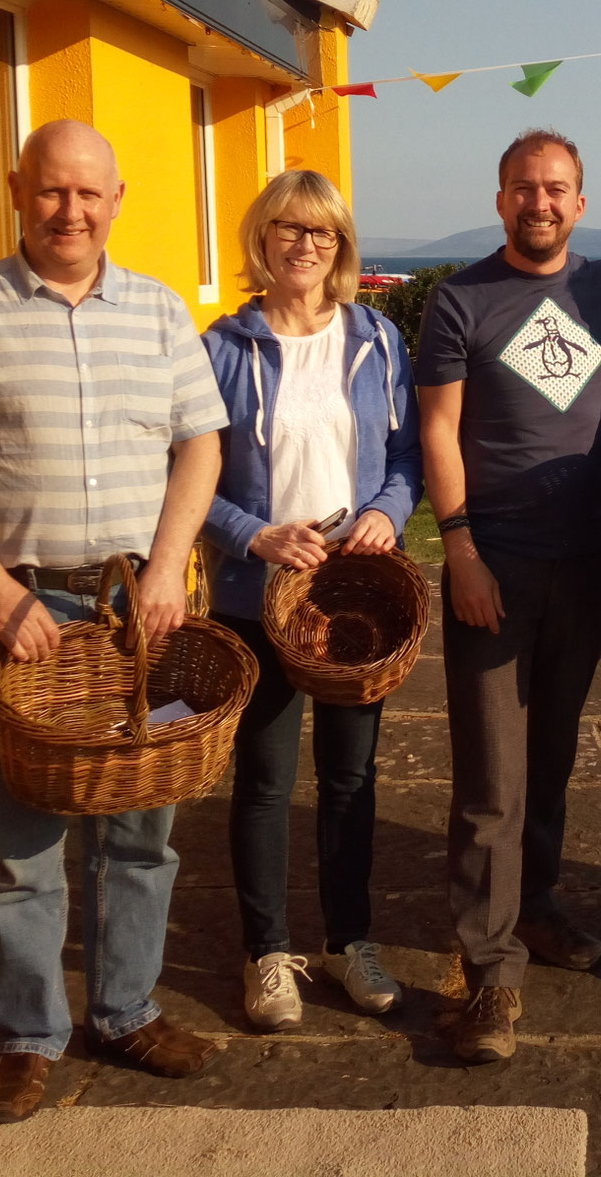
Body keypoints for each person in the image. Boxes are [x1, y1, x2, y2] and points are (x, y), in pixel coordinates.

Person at [0, 120, 229, 1124]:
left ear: (118, 199)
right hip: (14, 620)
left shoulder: (160, 313)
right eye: (49, 192)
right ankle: (29, 1034)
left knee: (139, 835)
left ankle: (123, 1010)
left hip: (135, 620)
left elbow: (199, 448)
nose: (69, 211)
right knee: (20, 846)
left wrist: (168, 569)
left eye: (88, 194)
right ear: (15, 192)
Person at [415, 128, 601, 1063]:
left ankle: (540, 906)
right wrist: (462, 547)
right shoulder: (461, 300)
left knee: (552, 752)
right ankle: (489, 970)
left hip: (586, 558)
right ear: (501, 199)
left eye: (557, 189)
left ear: (581, 203)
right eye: (524, 188)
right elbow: (439, 432)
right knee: (491, 774)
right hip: (496, 563)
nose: (540, 203)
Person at [199, 170, 423, 1032]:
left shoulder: (376, 340)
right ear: (262, 239)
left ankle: (350, 941)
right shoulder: (223, 347)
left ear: (340, 248)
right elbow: (191, 480)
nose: (304, 244)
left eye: (321, 233)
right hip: (258, 599)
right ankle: (267, 954)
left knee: (351, 777)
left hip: (354, 603)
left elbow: (406, 459)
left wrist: (383, 513)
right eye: (288, 229)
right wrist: (253, 535)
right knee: (263, 781)